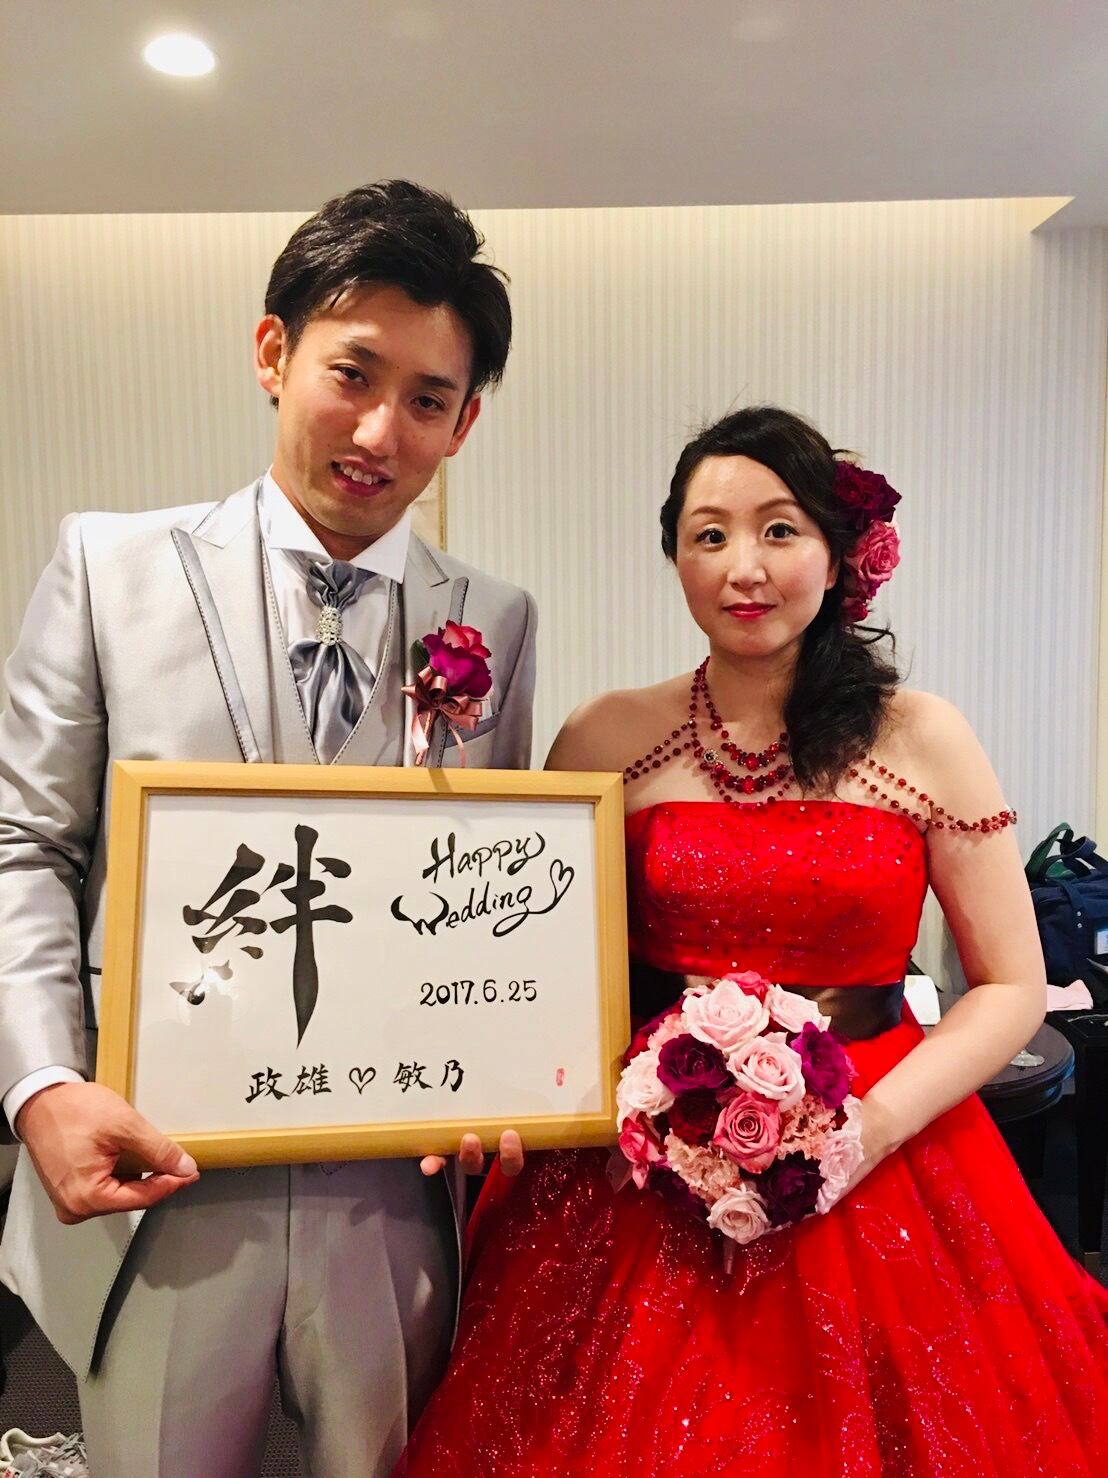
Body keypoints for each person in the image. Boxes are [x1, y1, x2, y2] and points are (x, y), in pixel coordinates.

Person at [401, 405, 1108, 1475]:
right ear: (675, 557)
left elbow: (1010, 984)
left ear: (838, 552)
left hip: (877, 1142)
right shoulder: (605, 735)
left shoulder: (924, 737)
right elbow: (534, 961)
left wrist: (862, 1132)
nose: (744, 566)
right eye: (709, 534)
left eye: (779, 529)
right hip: (642, 1156)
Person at [0, 180, 535, 1477]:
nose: (379, 429)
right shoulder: (110, 566)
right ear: (271, 352)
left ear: (464, 421)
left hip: (389, 1199)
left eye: (427, 398)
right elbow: (24, 842)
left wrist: (504, 1066)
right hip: (158, 1182)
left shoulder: (497, 618)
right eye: (352, 372)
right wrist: (42, 1085)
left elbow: (490, 885)